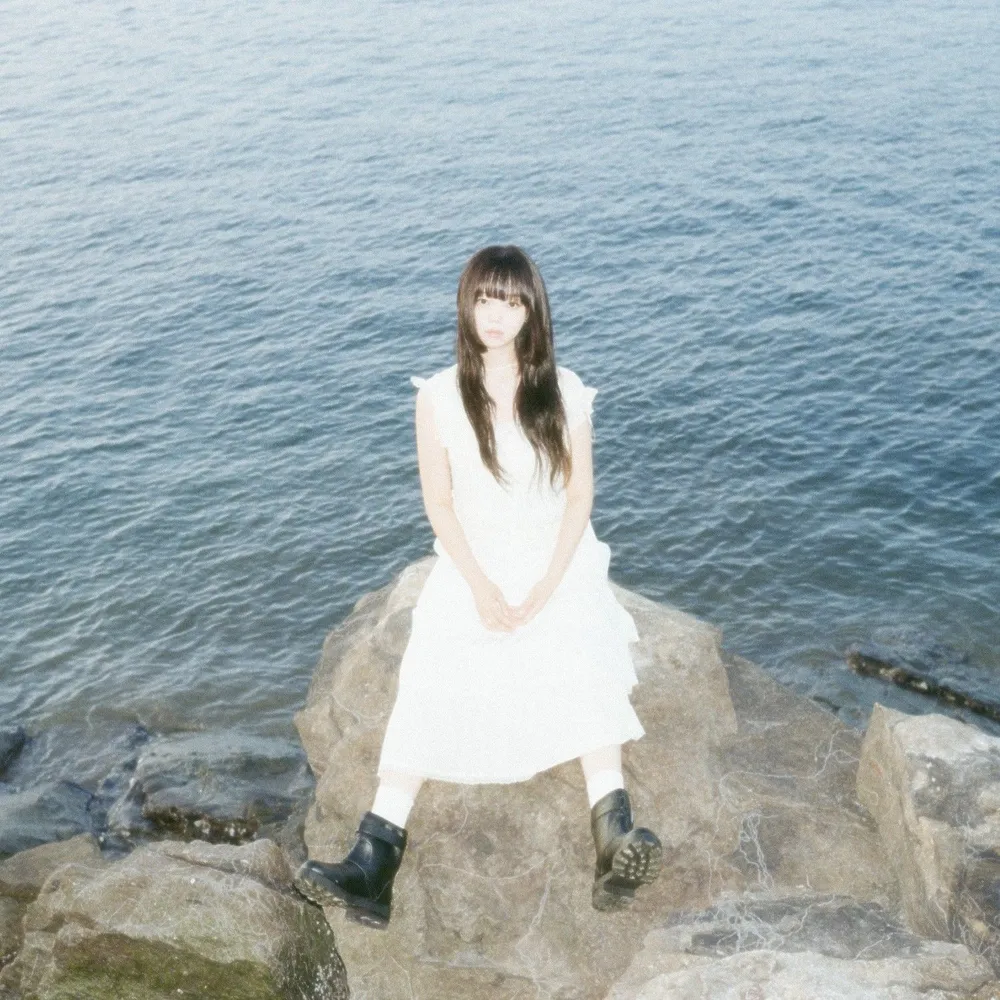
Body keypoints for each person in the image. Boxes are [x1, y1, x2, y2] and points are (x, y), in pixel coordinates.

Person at [294, 245, 661, 928]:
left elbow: (579, 496)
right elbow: (439, 503)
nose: (496, 314)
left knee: (583, 650)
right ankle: (373, 866)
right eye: (486, 299)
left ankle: (614, 839)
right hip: (475, 560)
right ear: (467, 304)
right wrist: (480, 585)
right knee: (431, 670)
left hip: (555, 555)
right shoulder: (438, 396)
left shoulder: (564, 389)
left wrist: (552, 582)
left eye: (512, 301)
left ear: (531, 312)